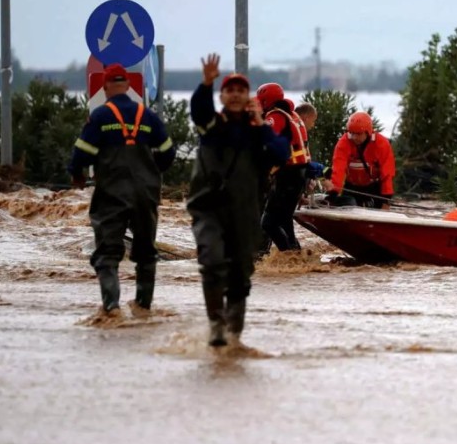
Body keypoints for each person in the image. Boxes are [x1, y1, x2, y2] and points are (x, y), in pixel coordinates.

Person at [187, 55, 289, 347]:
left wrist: (261, 124)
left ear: (248, 98)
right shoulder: (211, 125)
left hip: (244, 212)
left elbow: (281, 153)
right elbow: (198, 110)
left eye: (240, 91)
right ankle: (216, 324)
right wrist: (206, 83)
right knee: (212, 260)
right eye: (229, 90)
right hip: (209, 209)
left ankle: (235, 334)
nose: (234, 95)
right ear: (222, 96)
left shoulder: (257, 133)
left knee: (241, 272)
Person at [67, 63, 176, 317]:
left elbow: (81, 154)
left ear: (105, 88)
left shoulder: (101, 117)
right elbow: (168, 153)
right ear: (127, 86)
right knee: (146, 254)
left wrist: (77, 175)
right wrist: (152, 172)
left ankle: (112, 308)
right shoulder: (148, 117)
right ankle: (143, 307)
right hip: (145, 194)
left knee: (107, 253)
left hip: (111, 193)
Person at [257, 83, 309, 252]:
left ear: (267, 101)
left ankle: (288, 257)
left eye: (261, 101)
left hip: (288, 176)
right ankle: (296, 255)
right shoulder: (291, 115)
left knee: (268, 222)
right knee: (285, 220)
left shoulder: (275, 117)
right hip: (299, 174)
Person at [323, 111, 395, 209]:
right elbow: (338, 170)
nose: (354, 137)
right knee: (349, 204)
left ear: (368, 132)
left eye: (358, 134)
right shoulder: (343, 143)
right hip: (352, 188)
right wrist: (333, 194)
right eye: (351, 133)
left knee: (377, 206)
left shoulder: (381, 144)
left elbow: (387, 174)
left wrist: (386, 200)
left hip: (373, 188)